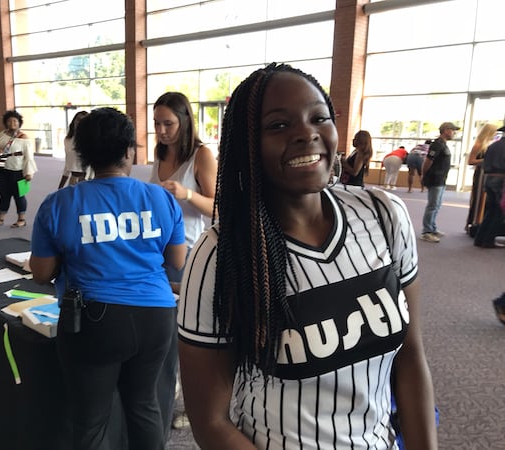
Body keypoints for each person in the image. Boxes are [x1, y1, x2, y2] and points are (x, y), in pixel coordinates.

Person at [177, 63, 438, 450]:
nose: (306, 133)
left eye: (319, 117)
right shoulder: (220, 255)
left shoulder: (384, 215)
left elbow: (411, 357)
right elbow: (211, 422)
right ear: (247, 143)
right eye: (279, 125)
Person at [29, 107, 187, 450]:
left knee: (92, 418)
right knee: (144, 406)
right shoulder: (160, 197)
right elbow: (176, 261)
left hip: (94, 320)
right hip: (156, 316)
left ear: (82, 154)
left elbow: (40, 273)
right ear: (130, 150)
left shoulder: (58, 204)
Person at [149, 91, 217, 433]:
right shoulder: (159, 155)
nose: (161, 130)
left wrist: (187, 194)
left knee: (189, 338)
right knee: (164, 331)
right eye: (157, 123)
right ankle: (166, 396)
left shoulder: (201, 155)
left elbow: (220, 209)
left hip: (189, 253)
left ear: (185, 120)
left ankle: (195, 406)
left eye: (169, 123)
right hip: (158, 253)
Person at [0, 110, 37, 229]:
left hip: (17, 170)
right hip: (1, 169)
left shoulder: (24, 138)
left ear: (19, 123)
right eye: (9, 121)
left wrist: (29, 172)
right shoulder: (2, 135)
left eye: (15, 121)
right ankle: (0, 218)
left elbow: (29, 156)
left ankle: (21, 219)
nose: (12, 123)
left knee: (19, 195)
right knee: (3, 195)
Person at [420, 121, 459, 243]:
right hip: (435, 179)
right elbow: (428, 161)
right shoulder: (437, 144)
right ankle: (426, 231)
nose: (454, 133)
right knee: (432, 205)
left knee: (437, 205)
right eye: (453, 130)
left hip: (441, 179)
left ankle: (432, 228)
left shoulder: (443, 144)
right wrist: (423, 174)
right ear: (446, 130)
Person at [474, 126, 505, 249]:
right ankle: (488, 240)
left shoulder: (493, 146)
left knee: (490, 210)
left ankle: (479, 238)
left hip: (488, 179)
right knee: (498, 212)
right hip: (500, 180)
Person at [465, 123, 498, 235]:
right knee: (478, 199)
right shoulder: (478, 145)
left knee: (485, 201)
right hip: (480, 174)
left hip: (487, 173)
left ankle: (480, 224)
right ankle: (473, 223)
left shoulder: (489, 145)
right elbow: (471, 161)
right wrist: (486, 160)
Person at [58, 110, 88, 189]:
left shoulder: (90, 140)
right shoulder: (68, 140)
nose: (79, 122)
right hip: (73, 179)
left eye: (83, 120)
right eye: (78, 119)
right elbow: (68, 163)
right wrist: (60, 186)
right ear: (74, 121)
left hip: (87, 179)